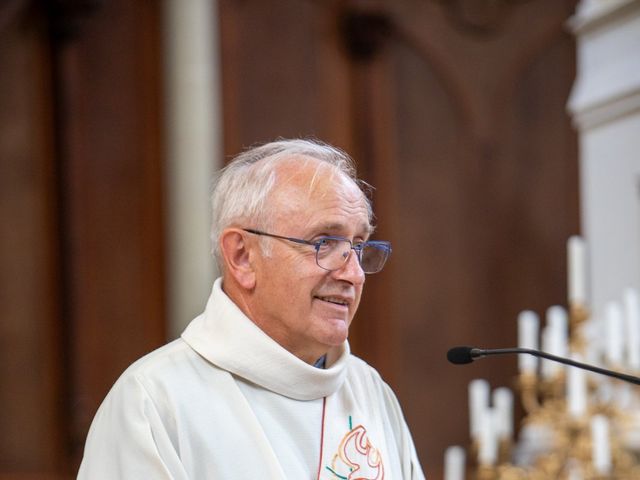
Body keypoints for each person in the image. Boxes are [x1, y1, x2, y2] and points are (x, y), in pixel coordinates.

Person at [77, 138, 425, 479]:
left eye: (359, 245)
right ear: (242, 256)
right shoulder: (155, 402)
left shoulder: (369, 391)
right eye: (324, 243)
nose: (354, 273)